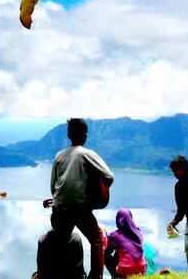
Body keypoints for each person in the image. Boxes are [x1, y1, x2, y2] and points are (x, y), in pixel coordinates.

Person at [43, 118, 114, 279]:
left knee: (61, 243)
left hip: (59, 210)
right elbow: (109, 177)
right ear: (85, 135)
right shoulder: (88, 154)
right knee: (97, 239)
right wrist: (93, 190)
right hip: (81, 210)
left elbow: (53, 186)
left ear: (68, 135)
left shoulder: (59, 156)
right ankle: (95, 277)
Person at [105, 208, 147, 277]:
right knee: (122, 250)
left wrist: (106, 235)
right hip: (141, 271)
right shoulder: (138, 232)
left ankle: (114, 276)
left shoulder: (115, 235)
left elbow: (107, 250)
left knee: (104, 253)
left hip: (124, 272)